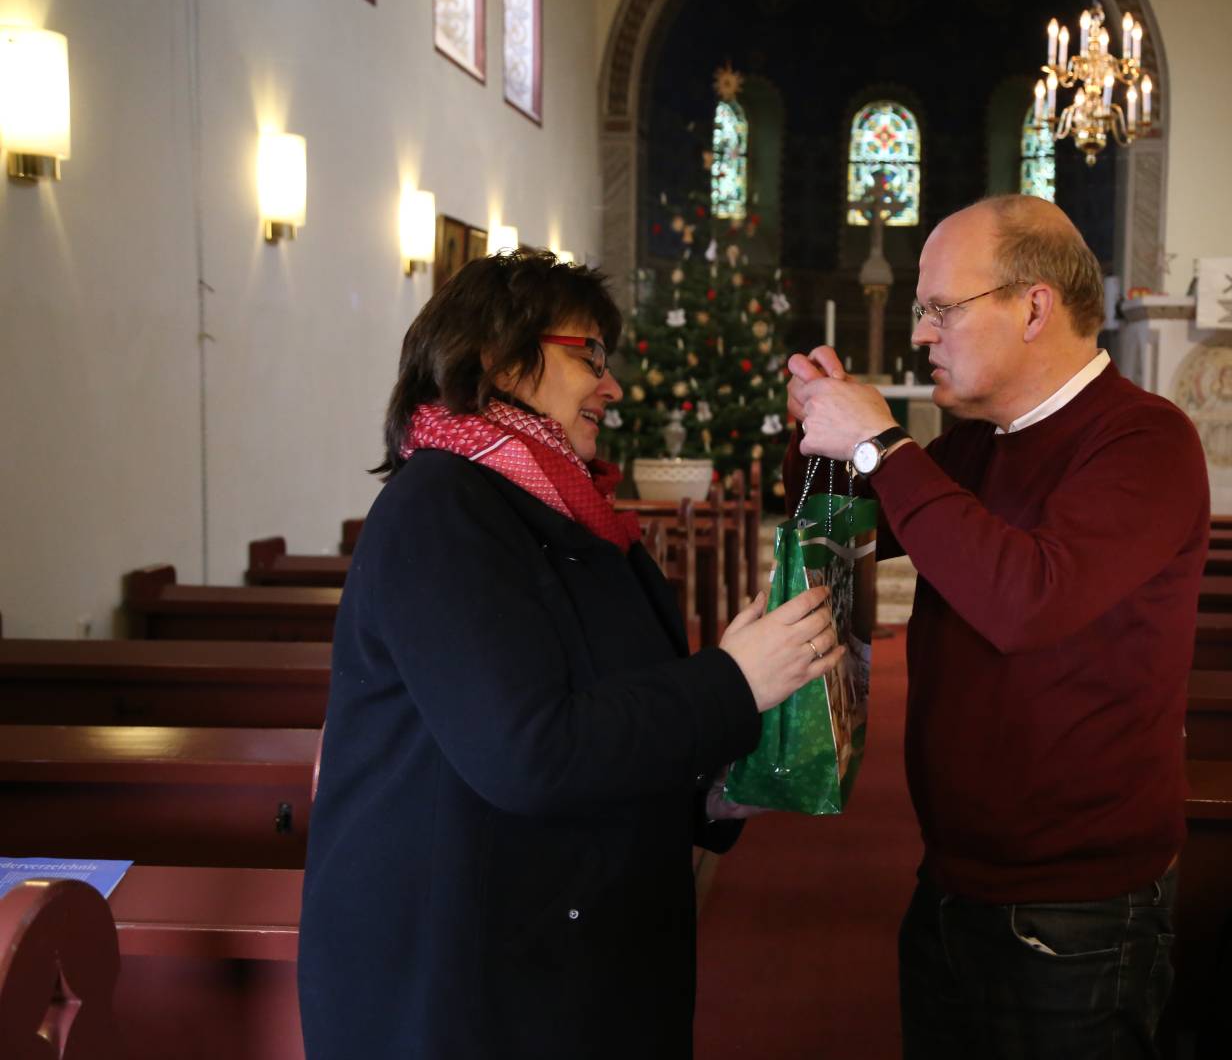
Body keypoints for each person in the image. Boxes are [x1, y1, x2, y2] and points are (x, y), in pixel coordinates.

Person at [298, 249, 841, 1060]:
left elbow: (608, 708)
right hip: (467, 987)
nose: (611, 384)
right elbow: (528, 750)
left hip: (565, 960)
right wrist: (731, 679)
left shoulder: (569, 512)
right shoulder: (440, 510)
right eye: (588, 353)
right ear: (496, 359)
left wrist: (713, 793)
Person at [786, 195, 1210, 1059]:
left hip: (1075, 906)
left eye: (942, 308)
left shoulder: (1144, 441)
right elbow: (864, 524)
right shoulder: (984, 441)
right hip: (953, 878)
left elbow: (1027, 601)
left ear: (1033, 306)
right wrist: (830, 433)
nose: (921, 335)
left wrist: (882, 446)